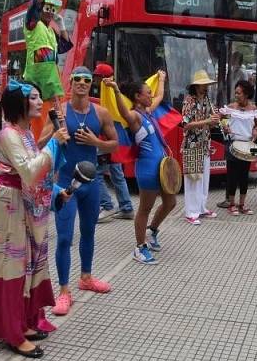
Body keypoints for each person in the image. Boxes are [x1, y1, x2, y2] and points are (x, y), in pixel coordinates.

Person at [0, 80, 69, 359]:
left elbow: (36, 172)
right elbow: (30, 172)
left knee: (29, 263)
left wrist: (56, 192)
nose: (38, 102)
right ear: (19, 103)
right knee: (13, 266)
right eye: (33, 97)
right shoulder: (9, 134)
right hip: (10, 206)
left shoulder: (26, 133)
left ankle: (25, 322)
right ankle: (13, 333)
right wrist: (53, 144)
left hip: (26, 204)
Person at [51, 67, 119, 316]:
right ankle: (64, 291)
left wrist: (96, 143)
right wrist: (55, 137)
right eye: (77, 79)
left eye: (86, 79)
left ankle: (86, 278)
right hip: (66, 182)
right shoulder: (60, 112)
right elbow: (39, 144)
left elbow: (114, 143)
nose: (82, 83)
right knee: (65, 238)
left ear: (92, 83)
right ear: (70, 83)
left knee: (89, 232)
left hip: (91, 182)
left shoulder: (101, 113)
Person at [104, 72, 176, 265]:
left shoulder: (148, 112)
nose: (151, 95)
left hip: (161, 166)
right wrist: (116, 90)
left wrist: (161, 79)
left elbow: (160, 96)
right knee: (145, 208)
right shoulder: (135, 116)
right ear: (137, 96)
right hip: (147, 169)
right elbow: (123, 112)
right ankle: (140, 247)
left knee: (171, 203)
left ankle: (152, 232)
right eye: (147, 93)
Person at [23, 0, 73, 114]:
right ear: (41, 10)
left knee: (56, 120)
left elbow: (65, 46)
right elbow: (33, 4)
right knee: (34, 120)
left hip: (52, 85)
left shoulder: (51, 32)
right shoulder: (33, 25)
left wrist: (62, 25)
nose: (51, 12)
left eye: (53, 9)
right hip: (35, 83)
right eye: (47, 8)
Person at [92, 63, 134, 223]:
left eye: (97, 76)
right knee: (117, 174)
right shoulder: (113, 92)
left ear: (103, 78)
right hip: (118, 140)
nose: (95, 79)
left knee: (97, 173)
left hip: (108, 139)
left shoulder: (107, 90)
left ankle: (107, 206)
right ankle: (127, 208)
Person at [181, 69, 220, 225]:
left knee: (204, 178)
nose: (206, 87)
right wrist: (207, 121)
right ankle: (191, 212)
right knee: (192, 178)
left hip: (205, 144)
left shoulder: (206, 100)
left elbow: (211, 121)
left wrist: (217, 119)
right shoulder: (189, 101)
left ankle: (201, 207)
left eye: (207, 85)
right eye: (203, 85)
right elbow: (186, 125)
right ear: (196, 86)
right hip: (192, 144)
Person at [220, 80, 257, 216]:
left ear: (247, 94)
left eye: (239, 93)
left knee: (244, 175)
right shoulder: (231, 107)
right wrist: (225, 127)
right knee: (232, 175)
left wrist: (256, 129)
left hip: (247, 146)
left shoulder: (253, 108)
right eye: (235, 93)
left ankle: (242, 204)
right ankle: (231, 204)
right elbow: (219, 118)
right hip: (233, 144)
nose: (236, 95)